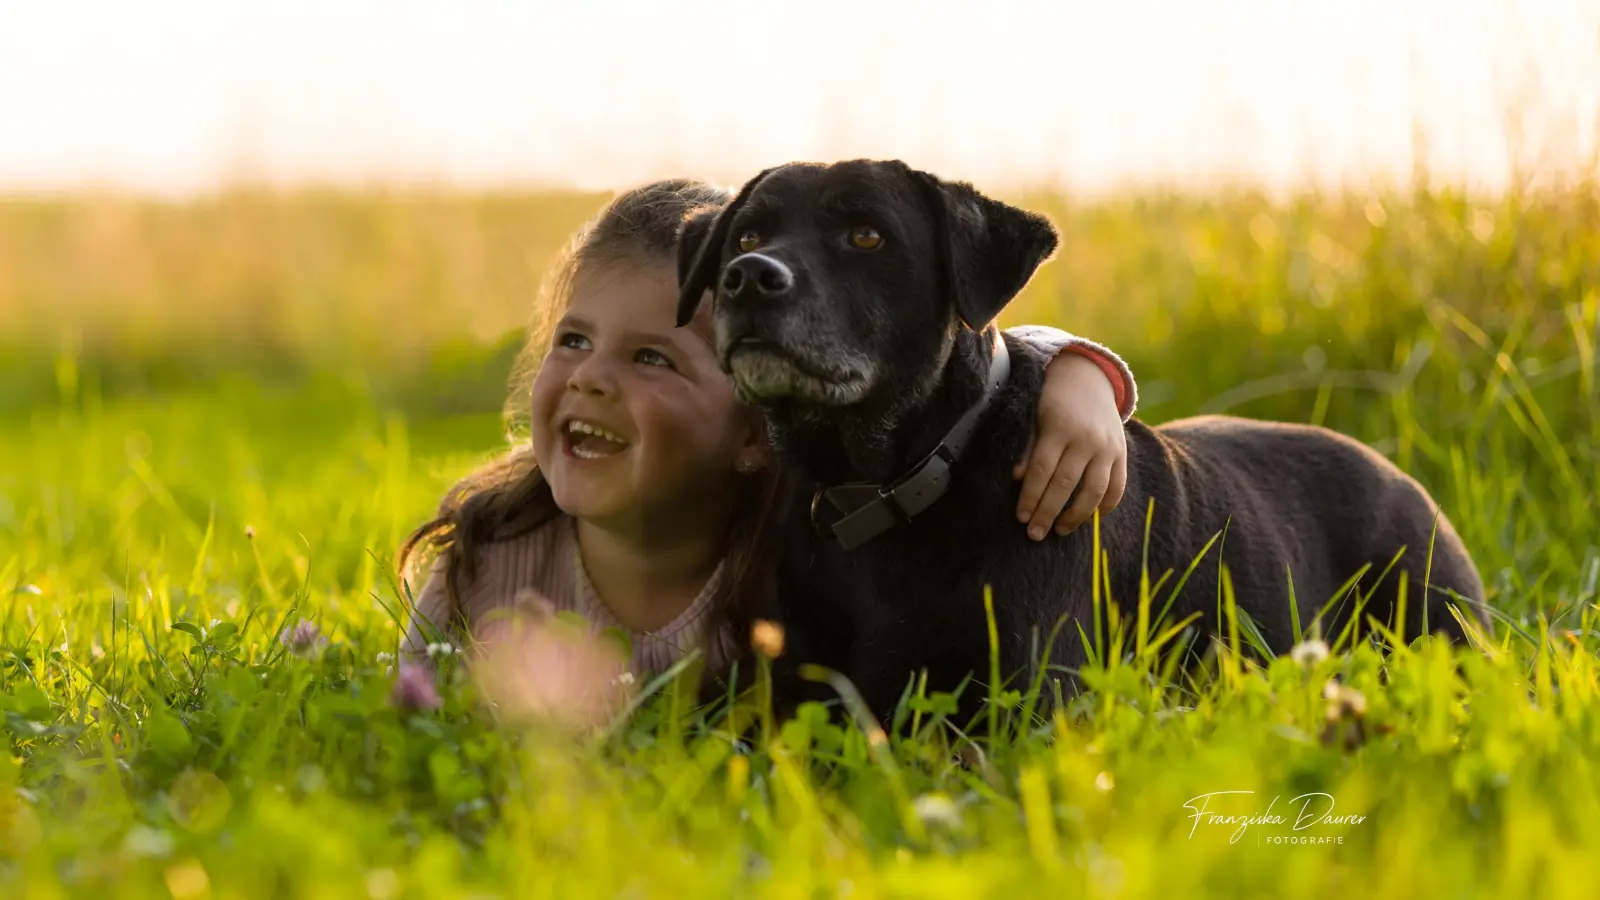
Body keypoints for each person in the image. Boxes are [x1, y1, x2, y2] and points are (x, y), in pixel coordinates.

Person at [397, 178, 1139, 701]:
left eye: (652, 358)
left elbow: (971, 355)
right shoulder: (487, 558)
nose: (591, 378)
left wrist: (1078, 374)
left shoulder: (779, 562)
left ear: (758, 429)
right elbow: (403, 703)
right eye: (573, 340)